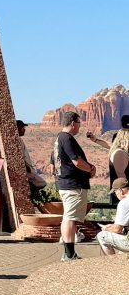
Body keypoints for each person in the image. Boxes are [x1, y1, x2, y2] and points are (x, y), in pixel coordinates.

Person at [53, 111, 95, 263]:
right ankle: (69, 254)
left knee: (68, 217)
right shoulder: (67, 138)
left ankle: (69, 253)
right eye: (78, 123)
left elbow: (55, 162)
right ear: (72, 123)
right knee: (70, 218)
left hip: (65, 183)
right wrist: (90, 168)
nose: (79, 127)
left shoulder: (59, 138)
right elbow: (77, 161)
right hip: (72, 185)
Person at [96, 177, 129, 257]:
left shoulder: (124, 202)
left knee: (102, 235)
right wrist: (113, 226)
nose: (115, 195)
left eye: (115, 193)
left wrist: (106, 229)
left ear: (120, 190)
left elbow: (117, 229)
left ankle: (113, 264)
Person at [16, 120, 46, 194]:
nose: (24, 130)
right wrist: (26, 167)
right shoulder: (17, 141)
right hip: (27, 169)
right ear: (18, 129)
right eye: (23, 128)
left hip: (28, 168)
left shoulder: (19, 140)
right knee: (41, 183)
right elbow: (19, 157)